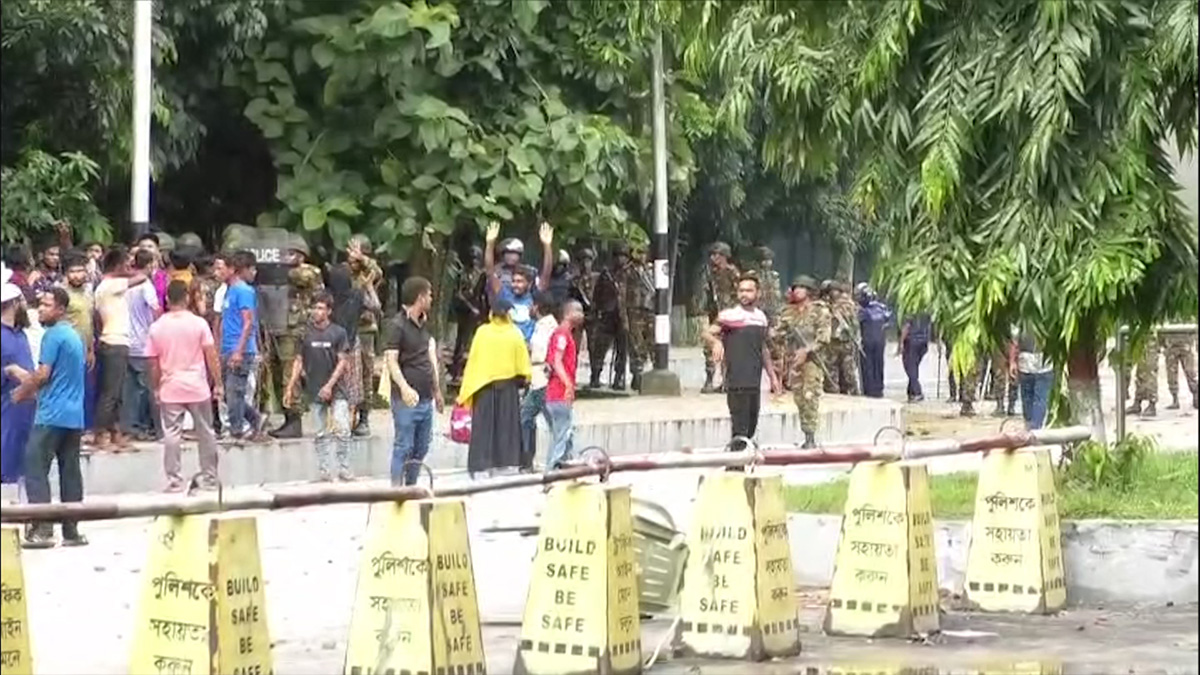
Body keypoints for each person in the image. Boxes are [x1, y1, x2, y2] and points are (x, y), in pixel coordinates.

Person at [13, 287, 87, 548]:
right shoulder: (75, 336)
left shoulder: (53, 336)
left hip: (51, 415)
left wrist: (21, 393)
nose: (41, 309)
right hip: (74, 415)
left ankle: (43, 529)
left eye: (47, 305)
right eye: (40, 304)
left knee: (35, 469)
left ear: (61, 310)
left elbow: (44, 374)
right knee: (70, 472)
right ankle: (72, 530)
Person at [148, 281, 223, 492]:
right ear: (188, 298)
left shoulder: (157, 327)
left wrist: (156, 387)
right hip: (197, 386)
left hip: (170, 386)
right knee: (206, 432)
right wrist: (218, 383)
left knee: (171, 434)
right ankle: (209, 477)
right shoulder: (199, 324)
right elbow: (211, 356)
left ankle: (174, 480)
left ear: (167, 300)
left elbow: (153, 364)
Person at [703, 274, 782, 451]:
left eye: (749, 290)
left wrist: (772, 377)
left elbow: (763, 348)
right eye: (741, 290)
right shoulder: (729, 316)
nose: (744, 294)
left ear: (758, 293)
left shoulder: (761, 318)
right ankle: (735, 464)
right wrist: (716, 342)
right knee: (739, 426)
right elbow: (707, 333)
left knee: (751, 424)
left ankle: (741, 459)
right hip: (737, 379)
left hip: (754, 380)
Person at [458, 298, 532, 479]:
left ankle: (480, 466)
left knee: (483, 428)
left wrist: (466, 391)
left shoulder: (482, 333)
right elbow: (523, 366)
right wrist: (525, 381)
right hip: (508, 388)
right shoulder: (515, 333)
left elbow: (473, 363)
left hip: (484, 387)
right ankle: (506, 463)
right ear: (508, 314)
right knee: (506, 427)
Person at [286, 292, 353, 482]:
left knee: (342, 428)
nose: (316, 312)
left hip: (337, 387)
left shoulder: (339, 333)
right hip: (314, 387)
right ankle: (324, 470)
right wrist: (290, 386)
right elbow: (298, 361)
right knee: (320, 432)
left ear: (329, 311)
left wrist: (329, 385)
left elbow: (343, 362)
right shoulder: (304, 333)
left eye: (321, 308)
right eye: (314, 308)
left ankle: (344, 468)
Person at [385, 276, 443, 486]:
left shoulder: (425, 324)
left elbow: (430, 358)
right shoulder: (397, 325)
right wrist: (404, 388)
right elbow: (391, 361)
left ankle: (411, 485)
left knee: (422, 446)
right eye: (429, 294)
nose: (431, 298)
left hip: (425, 396)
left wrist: (437, 391)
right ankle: (396, 488)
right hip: (406, 399)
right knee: (403, 445)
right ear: (420, 297)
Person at [93, 246, 150, 450]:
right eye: (126, 263)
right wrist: (131, 269)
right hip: (114, 341)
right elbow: (142, 276)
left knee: (116, 392)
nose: (130, 266)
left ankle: (114, 432)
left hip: (116, 341)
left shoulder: (107, 285)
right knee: (111, 392)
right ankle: (100, 434)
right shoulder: (110, 284)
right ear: (117, 266)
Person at [270, 236, 323, 439]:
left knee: (289, 372)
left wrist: (278, 268)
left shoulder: (308, 272)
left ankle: (294, 419)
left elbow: (301, 276)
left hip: (294, 329)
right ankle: (286, 415)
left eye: (290, 253)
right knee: (277, 373)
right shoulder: (281, 274)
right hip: (279, 326)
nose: (285, 257)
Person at [780, 276, 830, 448]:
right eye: (795, 287)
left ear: (809, 291)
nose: (796, 291)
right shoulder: (788, 312)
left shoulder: (819, 311)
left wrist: (806, 351)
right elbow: (778, 333)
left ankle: (810, 436)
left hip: (812, 362)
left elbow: (824, 337)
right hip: (794, 362)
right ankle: (806, 433)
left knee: (810, 397)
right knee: (799, 399)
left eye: (801, 287)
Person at [221, 250, 268, 441]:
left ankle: (238, 429)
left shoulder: (244, 291)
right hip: (228, 347)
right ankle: (256, 418)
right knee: (230, 394)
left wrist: (239, 351)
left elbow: (248, 322)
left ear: (235, 270)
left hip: (240, 349)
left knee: (235, 391)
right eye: (252, 269)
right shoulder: (230, 291)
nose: (254, 273)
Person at [484, 221, 554, 343]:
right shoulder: (504, 293)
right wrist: (490, 244)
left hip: (525, 344)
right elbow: (490, 272)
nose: (516, 284)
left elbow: (546, 275)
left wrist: (547, 246)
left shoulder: (530, 291)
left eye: (520, 282)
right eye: (514, 281)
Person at [123, 249, 163, 441]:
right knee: (145, 387)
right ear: (149, 266)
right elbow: (156, 311)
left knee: (130, 388)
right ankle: (144, 426)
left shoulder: (126, 284)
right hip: (143, 343)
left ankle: (128, 426)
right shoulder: (146, 285)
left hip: (125, 341)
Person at [347, 235, 384, 437]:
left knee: (365, 374)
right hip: (346, 327)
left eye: (356, 251)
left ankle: (364, 417)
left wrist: (362, 259)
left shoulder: (369, 272)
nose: (351, 255)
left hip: (365, 328)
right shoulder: (346, 272)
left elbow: (377, 272)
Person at [1, 271, 34, 487]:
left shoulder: (20, 333)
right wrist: (9, 371)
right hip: (7, 404)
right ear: (14, 303)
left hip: (26, 406)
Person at [58, 252, 97, 436]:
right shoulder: (60, 293)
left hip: (85, 347)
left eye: (81, 271)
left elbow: (89, 321)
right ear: (66, 273)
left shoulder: (88, 292)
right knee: (68, 390)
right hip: (67, 349)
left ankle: (82, 429)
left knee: (84, 390)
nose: (77, 275)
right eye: (73, 271)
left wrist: (90, 349)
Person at [544, 300, 585, 470]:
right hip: (559, 393)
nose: (582, 315)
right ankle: (552, 471)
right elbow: (556, 361)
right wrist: (568, 384)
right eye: (578, 311)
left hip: (558, 394)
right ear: (568, 313)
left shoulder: (565, 335)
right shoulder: (562, 335)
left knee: (564, 435)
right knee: (562, 435)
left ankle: (564, 469)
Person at [521, 296, 560, 471]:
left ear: (536, 307)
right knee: (525, 418)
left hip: (544, 381)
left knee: (555, 424)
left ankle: (562, 460)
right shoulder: (540, 326)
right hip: (536, 381)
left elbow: (551, 353)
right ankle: (527, 461)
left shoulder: (549, 327)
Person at [699, 242, 741, 394]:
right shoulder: (709, 272)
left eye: (717, 254)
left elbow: (740, 295)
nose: (713, 257)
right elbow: (705, 293)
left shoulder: (732, 272)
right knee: (709, 347)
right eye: (712, 254)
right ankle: (709, 379)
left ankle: (727, 381)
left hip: (729, 316)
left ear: (724, 256)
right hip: (714, 316)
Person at [450, 245, 487, 384]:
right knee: (462, 341)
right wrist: (470, 307)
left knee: (478, 341)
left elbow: (483, 293)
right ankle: (456, 371)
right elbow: (458, 293)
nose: (475, 261)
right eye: (473, 258)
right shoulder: (463, 273)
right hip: (465, 310)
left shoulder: (481, 273)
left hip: (478, 309)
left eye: (477, 258)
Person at [1010, 325, 1054, 430]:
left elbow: (1014, 342)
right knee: (1038, 398)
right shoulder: (1050, 316)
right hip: (1038, 363)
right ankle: (1034, 428)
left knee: (1030, 398)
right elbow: (1014, 342)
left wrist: (1012, 362)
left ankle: (1031, 427)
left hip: (1032, 362)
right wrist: (1012, 362)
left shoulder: (1022, 317)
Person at [826, 281, 861, 395]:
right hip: (832, 341)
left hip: (845, 341)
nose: (833, 293)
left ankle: (853, 391)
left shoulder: (846, 305)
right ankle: (834, 391)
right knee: (832, 369)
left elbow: (854, 323)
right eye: (831, 291)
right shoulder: (828, 305)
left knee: (848, 370)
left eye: (835, 290)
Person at [856, 285, 891, 398]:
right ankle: (878, 389)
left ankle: (870, 390)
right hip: (880, 341)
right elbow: (887, 320)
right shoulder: (882, 308)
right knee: (879, 364)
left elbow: (856, 323)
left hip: (867, 341)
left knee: (867, 366)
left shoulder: (862, 311)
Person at [898, 312, 932, 402]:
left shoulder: (911, 310)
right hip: (923, 342)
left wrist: (901, 343)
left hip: (912, 342)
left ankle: (917, 392)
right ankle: (911, 392)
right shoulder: (926, 312)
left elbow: (906, 327)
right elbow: (929, 327)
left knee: (910, 367)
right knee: (913, 367)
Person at [1160, 330, 1197, 410]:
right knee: (1171, 375)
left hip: (1185, 343)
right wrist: (1163, 343)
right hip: (1171, 345)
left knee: (1190, 372)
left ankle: (1195, 396)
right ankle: (1175, 399)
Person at [1125, 339, 1160, 417]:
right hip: (1138, 338)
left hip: (1150, 339)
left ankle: (1152, 404)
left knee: (1150, 371)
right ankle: (1137, 402)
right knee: (1140, 373)